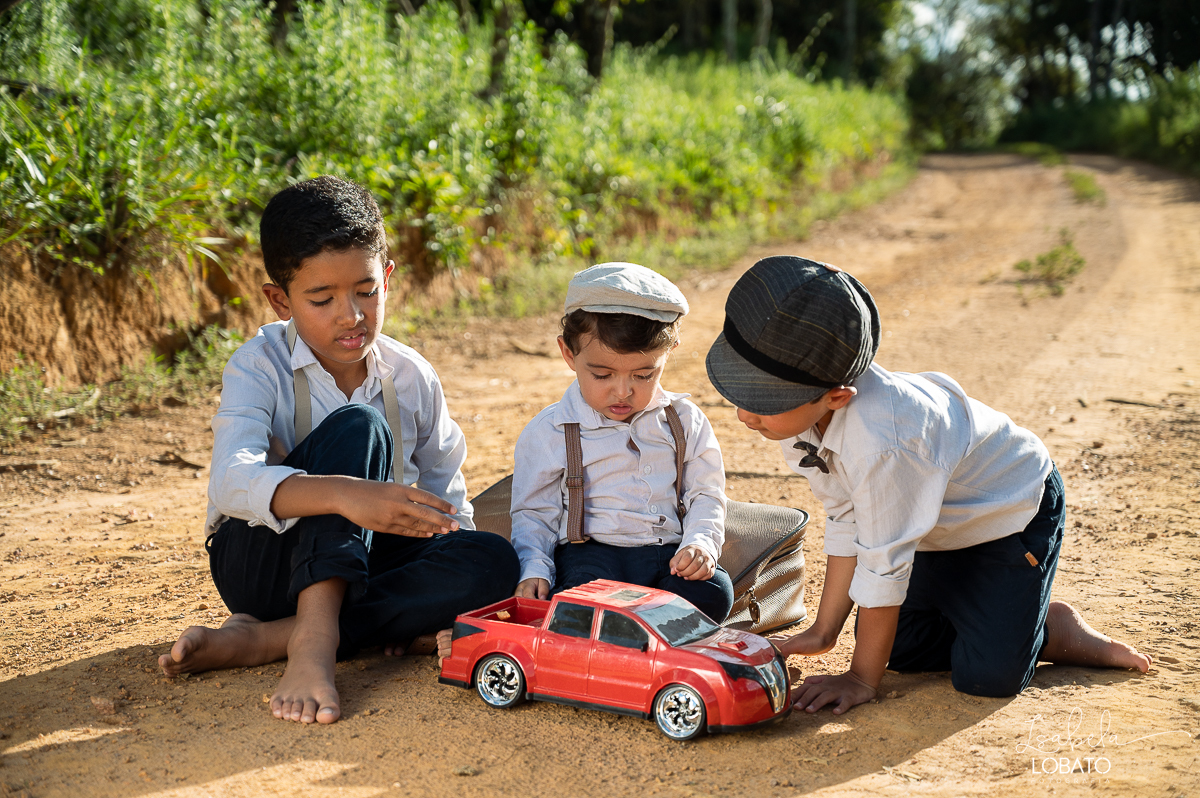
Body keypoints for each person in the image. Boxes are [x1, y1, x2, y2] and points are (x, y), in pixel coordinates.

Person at [705, 255, 1150, 715]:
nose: (745, 414)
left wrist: (860, 678)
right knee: (898, 649)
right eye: (742, 391)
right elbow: (847, 518)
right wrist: (825, 631)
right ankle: (997, 611)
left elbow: (883, 564)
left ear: (837, 395)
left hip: (1005, 517)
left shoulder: (884, 443)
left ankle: (1048, 627)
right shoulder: (800, 414)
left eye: (763, 400)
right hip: (928, 523)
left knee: (988, 677)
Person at [157, 176, 519, 724]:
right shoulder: (258, 366)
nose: (351, 314)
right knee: (360, 428)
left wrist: (450, 569)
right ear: (281, 300)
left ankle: (266, 640)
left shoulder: (412, 376)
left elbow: (447, 497)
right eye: (322, 299)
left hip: (364, 567)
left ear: (388, 278)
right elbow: (231, 483)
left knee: (489, 560)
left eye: (366, 291)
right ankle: (312, 646)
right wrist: (345, 496)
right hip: (260, 565)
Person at [510, 263, 735, 622]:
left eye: (644, 375)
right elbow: (535, 513)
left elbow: (706, 494)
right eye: (602, 374)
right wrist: (534, 567)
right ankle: (648, 630)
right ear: (569, 353)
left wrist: (699, 544)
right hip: (592, 556)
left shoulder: (685, 420)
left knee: (712, 592)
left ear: (670, 352)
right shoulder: (550, 430)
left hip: (668, 556)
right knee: (578, 598)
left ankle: (627, 632)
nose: (623, 391)